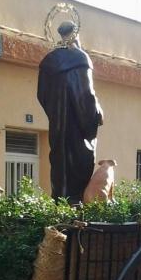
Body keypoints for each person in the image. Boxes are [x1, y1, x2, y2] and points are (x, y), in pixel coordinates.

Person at [37, 20, 104, 203]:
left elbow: (42, 96)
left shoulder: (48, 62)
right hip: (77, 131)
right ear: (76, 36)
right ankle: (74, 207)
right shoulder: (80, 59)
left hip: (58, 129)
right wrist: (97, 113)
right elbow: (85, 96)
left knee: (59, 167)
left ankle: (60, 202)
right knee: (77, 175)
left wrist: (56, 114)